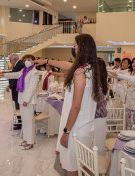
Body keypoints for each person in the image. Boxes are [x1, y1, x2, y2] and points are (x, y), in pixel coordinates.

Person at [34, 34, 99, 175]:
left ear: (81, 48)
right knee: (84, 165)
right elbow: (65, 65)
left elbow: (76, 106)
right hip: (86, 125)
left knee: (72, 169)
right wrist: (46, 60)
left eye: (75, 46)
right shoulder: (90, 69)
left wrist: (66, 132)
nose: (73, 49)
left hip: (76, 128)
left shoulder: (80, 73)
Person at [0, 55, 39, 150]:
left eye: (29, 60)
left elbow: (32, 88)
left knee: (29, 121)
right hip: (21, 99)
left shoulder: (34, 72)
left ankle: (30, 142)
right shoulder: (23, 71)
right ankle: (26, 139)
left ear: (33, 61)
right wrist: (3, 74)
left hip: (28, 100)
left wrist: (26, 100)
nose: (26, 61)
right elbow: (14, 75)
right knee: (24, 121)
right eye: (25, 60)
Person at [93, 57, 108, 156]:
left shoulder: (96, 83)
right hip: (101, 115)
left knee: (96, 143)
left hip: (97, 115)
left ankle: (96, 165)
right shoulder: (102, 80)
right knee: (98, 142)